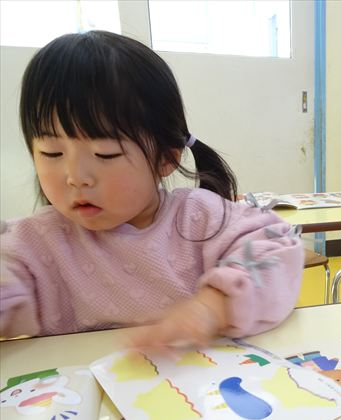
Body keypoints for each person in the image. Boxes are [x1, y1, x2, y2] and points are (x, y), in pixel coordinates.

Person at [0, 31, 304, 350]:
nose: (75, 177)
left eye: (106, 154)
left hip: (195, 376)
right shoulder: (35, 242)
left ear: (166, 159)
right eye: (52, 153)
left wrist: (212, 307)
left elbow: (277, 250)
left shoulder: (200, 218)